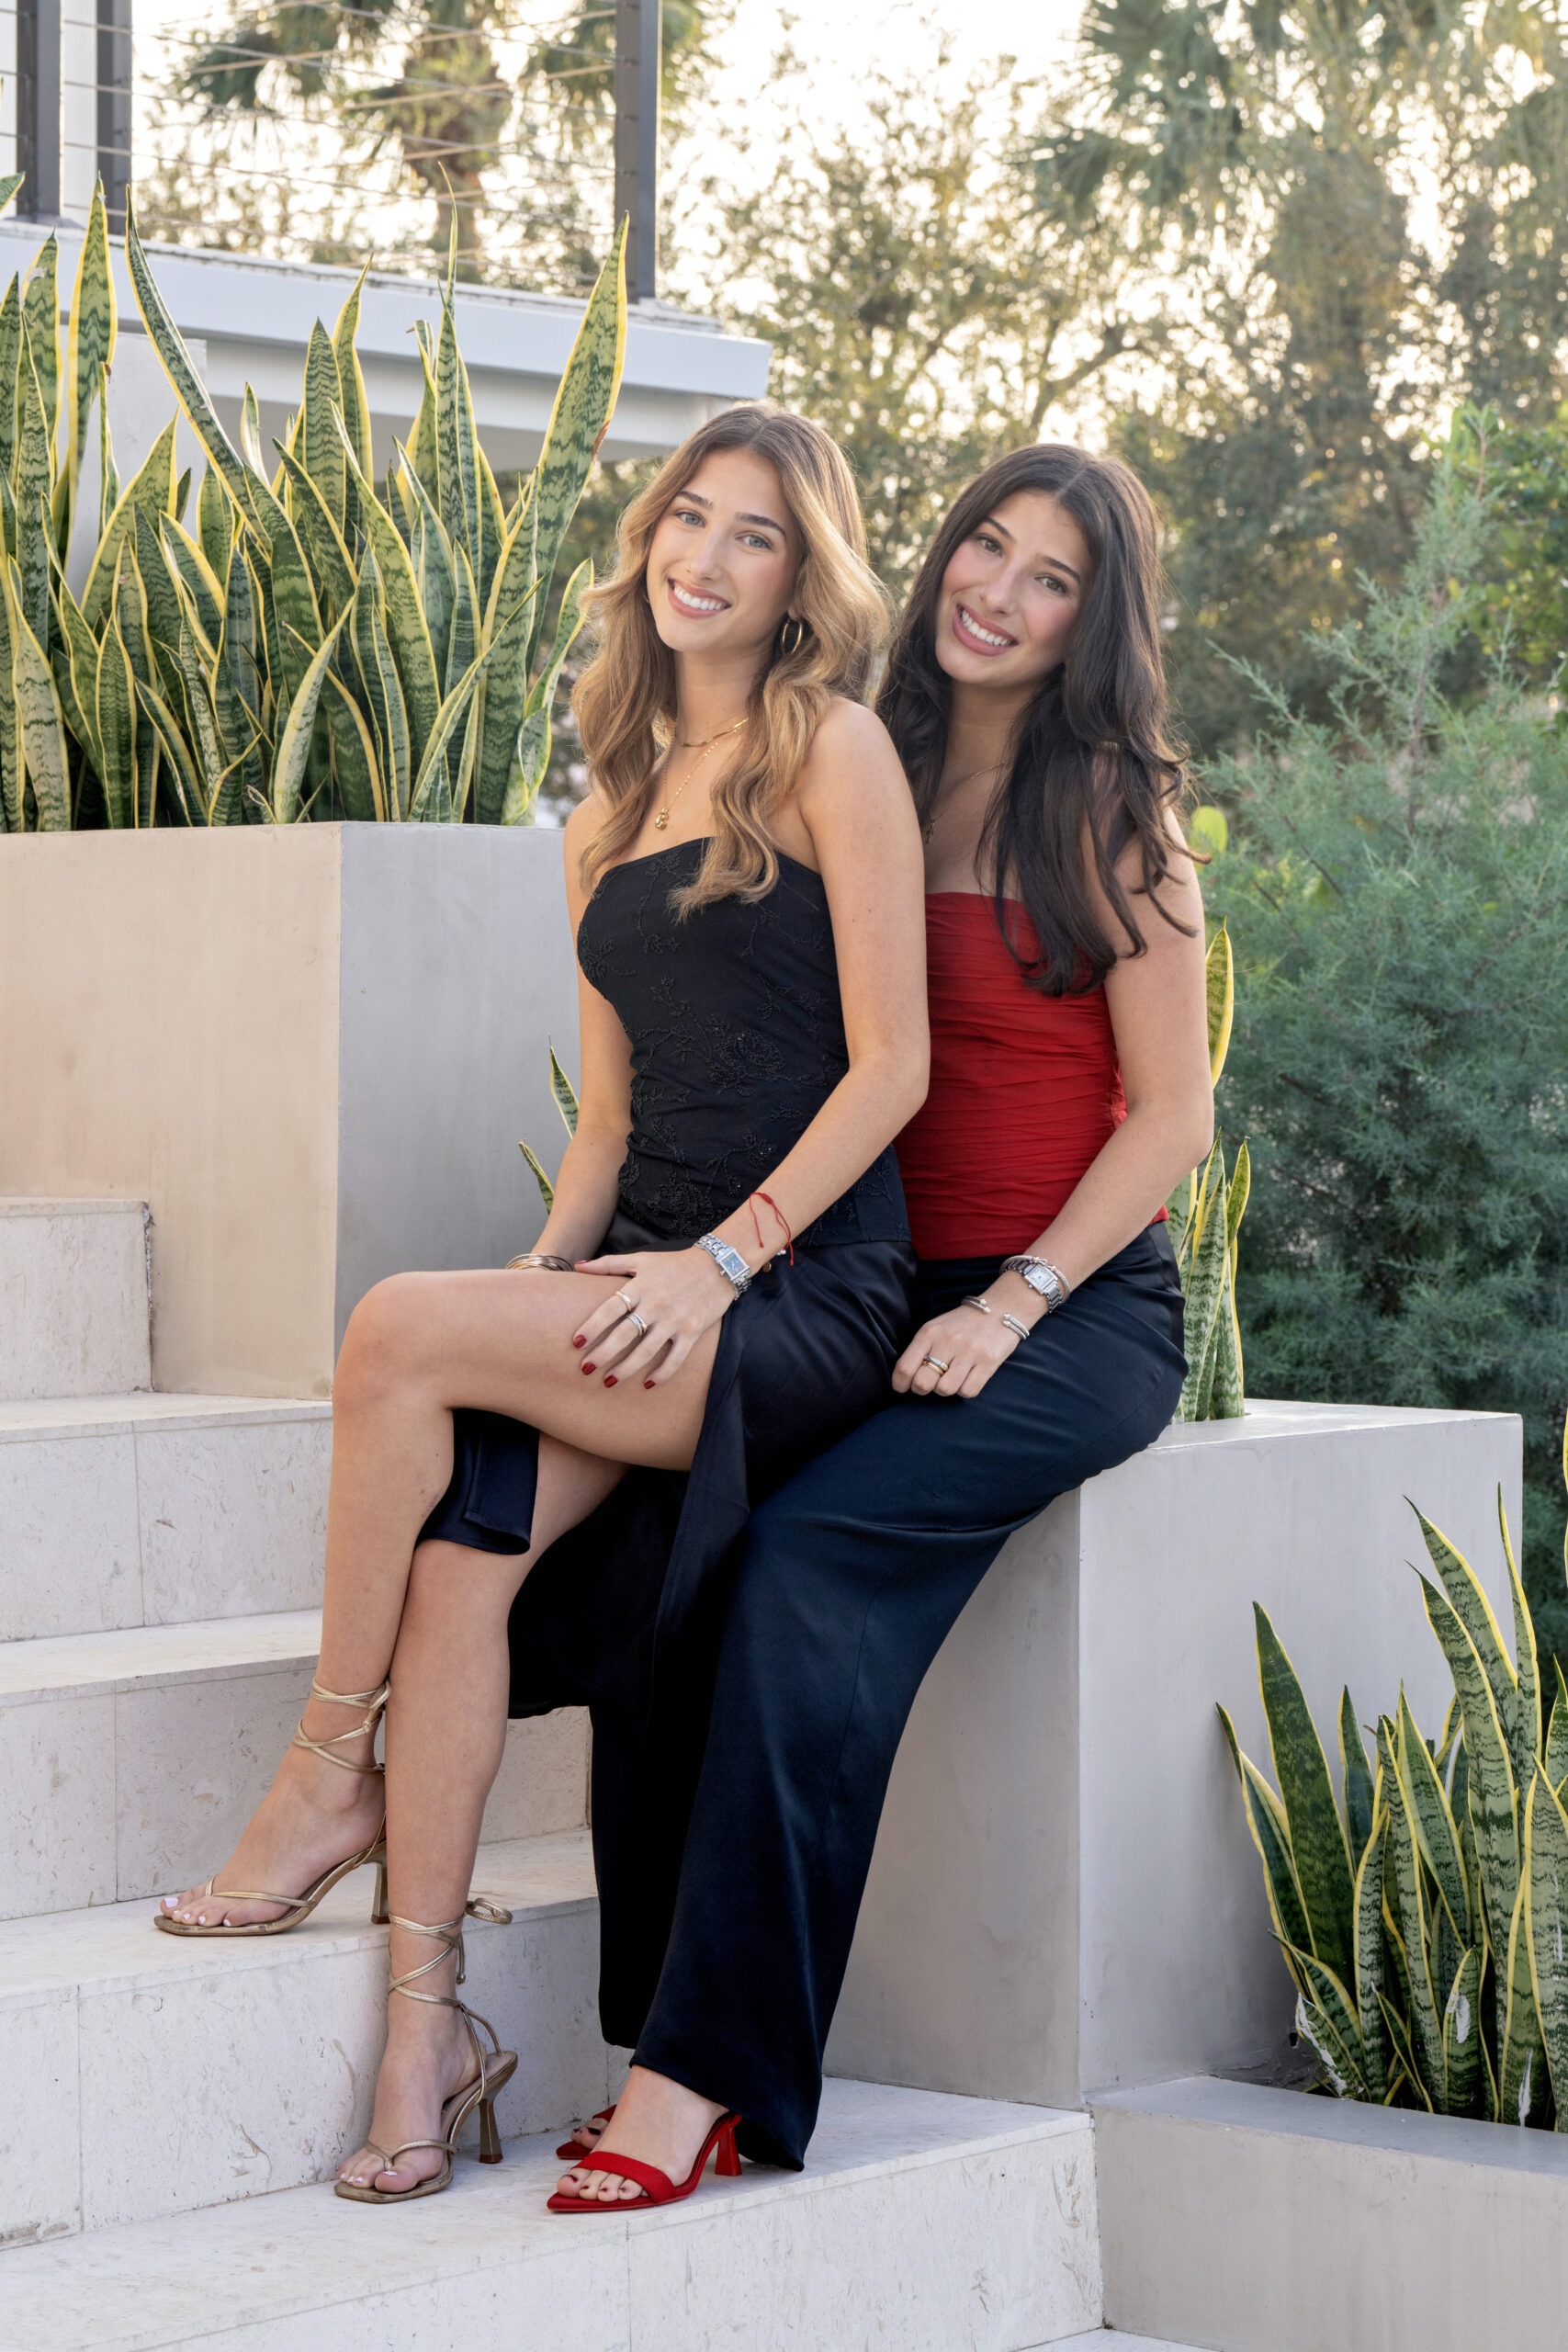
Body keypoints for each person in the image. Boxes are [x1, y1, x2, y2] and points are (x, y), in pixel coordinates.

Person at [154, 404, 928, 2208]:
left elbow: (893, 1069)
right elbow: (604, 1120)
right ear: (644, 540)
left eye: (749, 533)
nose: (701, 554)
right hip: (635, 1271)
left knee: (388, 1328)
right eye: (684, 517)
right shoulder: (603, 802)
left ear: (797, 576)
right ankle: (426, 2041)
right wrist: (543, 1279)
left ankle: (318, 1775)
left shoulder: (835, 752)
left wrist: (719, 1257)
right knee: (455, 1564)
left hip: (794, 1283)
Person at [553, 443, 1213, 2209]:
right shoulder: (854, 761)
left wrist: (1019, 1302)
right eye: (981, 547)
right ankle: (653, 2033)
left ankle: (712, 2082)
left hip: (1066, 1309)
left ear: (1097, 622)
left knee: (805, 1558)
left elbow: (1172, 1120)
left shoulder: (1121, 821)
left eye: (1050, 575)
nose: (995, 591)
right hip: (865, 1283)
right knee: (675, 1555)